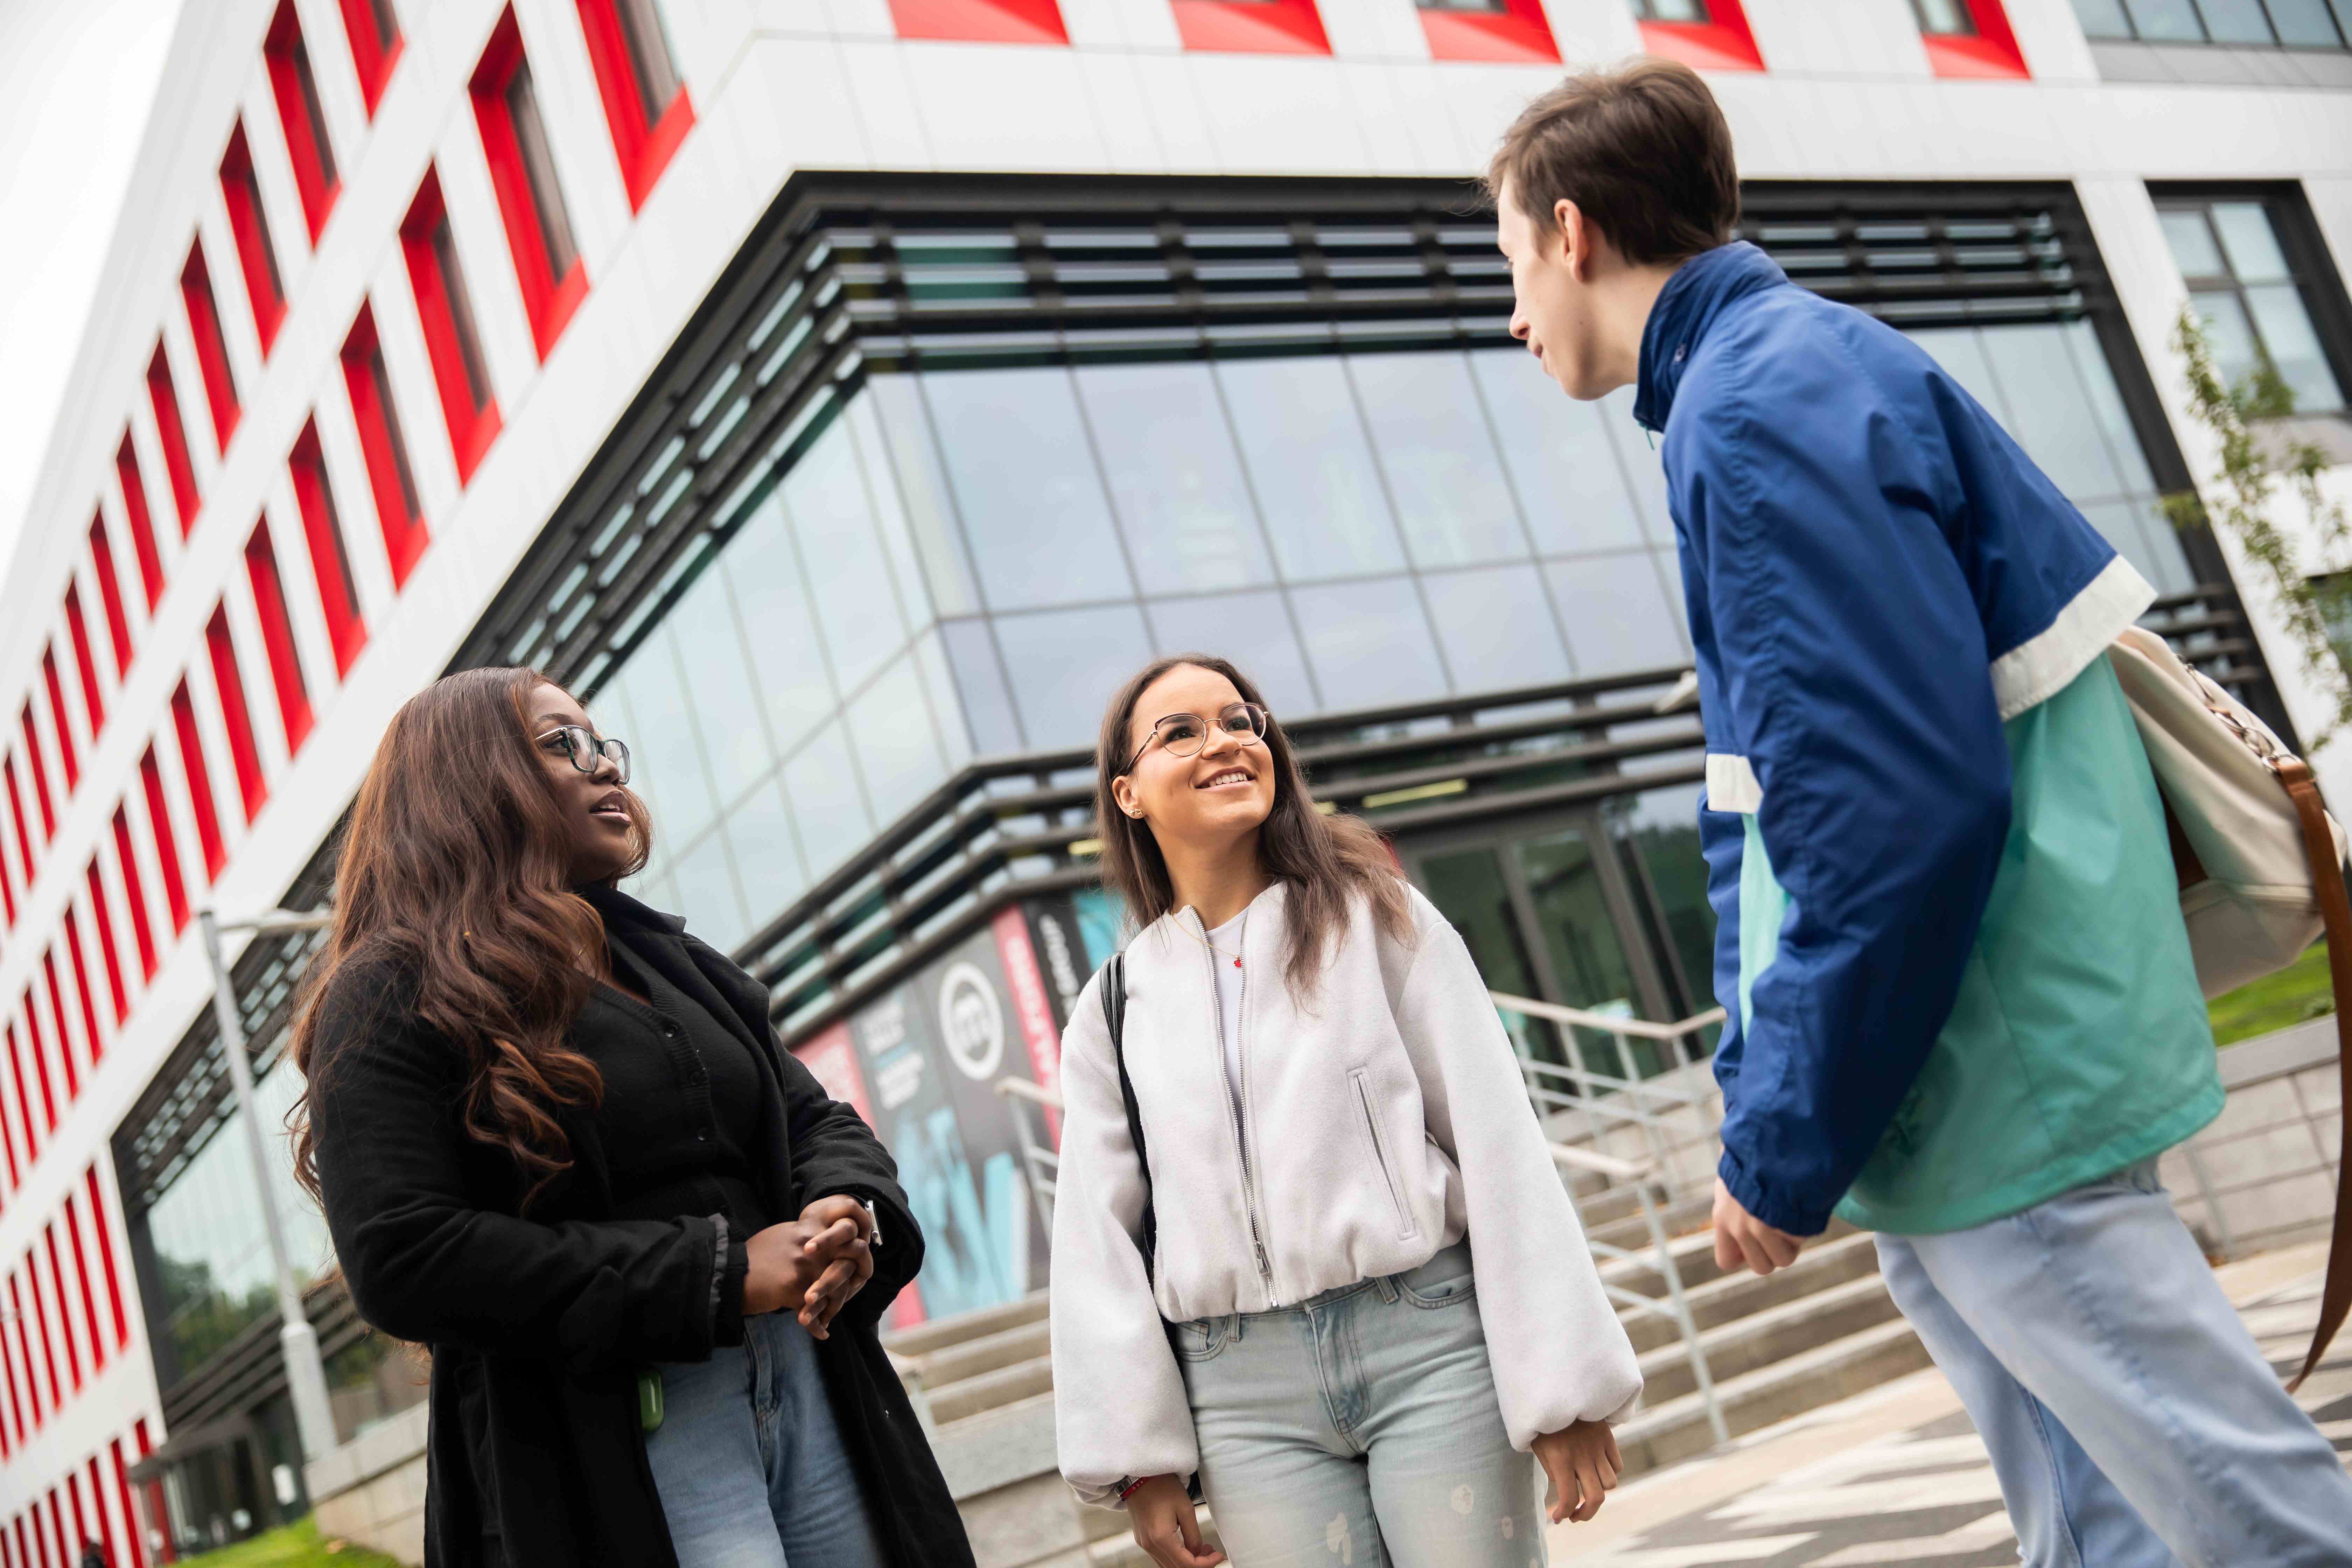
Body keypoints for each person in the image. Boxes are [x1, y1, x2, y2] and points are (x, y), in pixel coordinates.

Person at [1485, 57, 2352, 1565]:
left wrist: (1784, 1137)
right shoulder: (1800, 371)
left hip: (1984, 1086)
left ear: (1571, 235)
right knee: (2109, 1529)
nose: (1513, 315)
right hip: (1992, 1070)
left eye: (1507, 266)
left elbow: (1889, 816)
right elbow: (1805, 795)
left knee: (2253, 1520)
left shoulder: (1750, 415)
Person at [292, 667, 974, 1568]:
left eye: (603, 743)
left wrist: (840, 1205)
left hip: (810, 1383)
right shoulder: (391, 990)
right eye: (559, 744)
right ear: (467, 781)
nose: (603, 766)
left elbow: (814, 1117)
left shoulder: (672, 959)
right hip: (616, 1437)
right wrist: (716, 1275)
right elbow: (406, 1254)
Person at [1049, 653, 1640, 1568]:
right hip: (1243, 1400)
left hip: (1430, 1351)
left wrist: (1563, 1387)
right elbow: (1098, 1242)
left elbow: (1499, 1141)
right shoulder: (1113, 1009)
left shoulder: (1378, 921)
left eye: (1243, 720)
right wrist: (1140, 1463)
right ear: (1128, 793)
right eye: (1183, 731)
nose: (1227, 741)